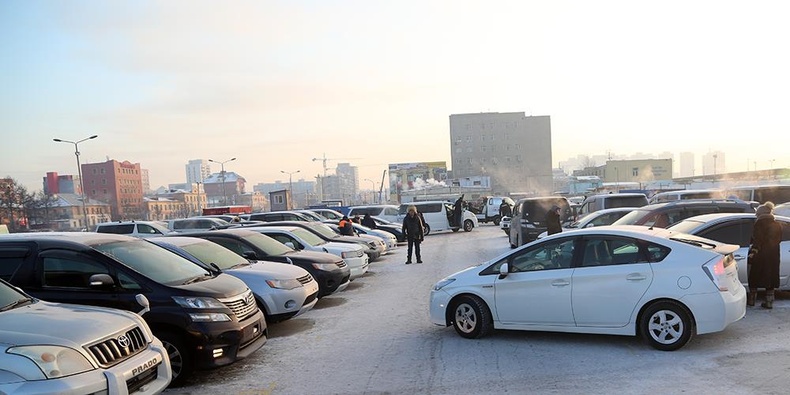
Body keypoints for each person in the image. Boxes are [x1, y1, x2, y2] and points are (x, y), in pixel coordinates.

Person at [747, 202, 782, 309]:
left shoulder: (759, 224)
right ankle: (769, 302)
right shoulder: (777, 224)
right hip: (773, 256)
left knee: (754, 277)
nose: (756, 216)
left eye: (757, 214)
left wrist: (753, 252)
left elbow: (758, 240)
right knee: (771, 278)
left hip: (761, 255)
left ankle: (751, 301)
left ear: (761, 213)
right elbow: (778, 240)